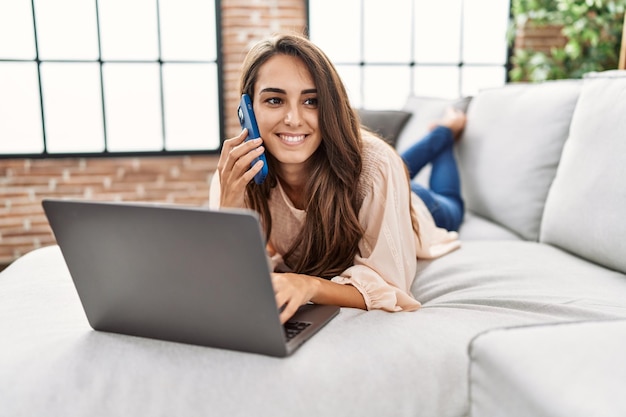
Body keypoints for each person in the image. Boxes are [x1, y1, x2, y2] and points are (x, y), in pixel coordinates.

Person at [209, 32, 464, 323]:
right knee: (395, 163)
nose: (293, 119)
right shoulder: (233, 177)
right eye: (275, 100)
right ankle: (440, 135)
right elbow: (235, 279)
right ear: (247, 109)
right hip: (374, 183)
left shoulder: (376, 165)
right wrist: (229, 207)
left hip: (419, 208)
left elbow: (391, 286)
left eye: (311, 101)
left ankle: (446, 134)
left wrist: (309, 285)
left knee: (449, 201)